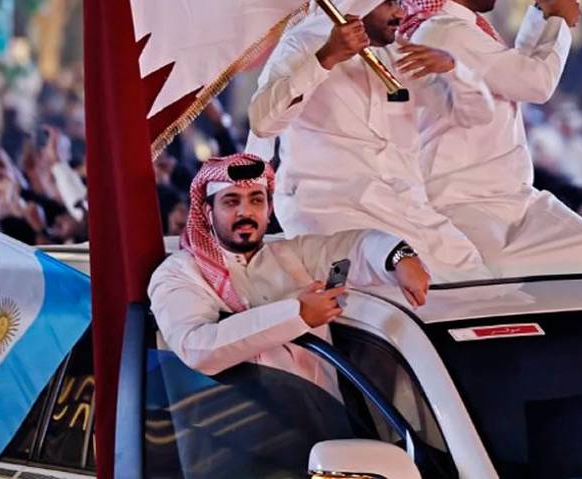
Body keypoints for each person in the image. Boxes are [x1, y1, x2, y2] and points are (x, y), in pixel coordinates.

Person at [247, 0, 490, 280]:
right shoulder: (303, 46)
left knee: (473, 274)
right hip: (330, 210)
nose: (401, 12)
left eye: (399, 0)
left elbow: (476, 117)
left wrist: (454, 70)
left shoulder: (399, 53)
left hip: (404, 207)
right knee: (394, 286)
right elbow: (263, 122)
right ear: (358, 2)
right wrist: (326, 59)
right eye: (389, 2)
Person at [400, 0, 582, 275]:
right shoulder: (446, 33)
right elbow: (535, 84)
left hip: (513, 197)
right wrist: (559, 20)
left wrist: (544, 12)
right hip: (461, 198)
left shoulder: (464, 28)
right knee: (494, 273)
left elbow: (513, 71)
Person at [148, 153, 430, 378]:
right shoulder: (180, 273)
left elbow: (354, 247)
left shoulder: (290, 254)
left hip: (326, 428)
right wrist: (298, 314)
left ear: (269, 209)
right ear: (208, 212)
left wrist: (399, 257)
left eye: (256, 200)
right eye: (231, 202)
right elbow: (198, 348)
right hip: (235, 437)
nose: (245, 212)